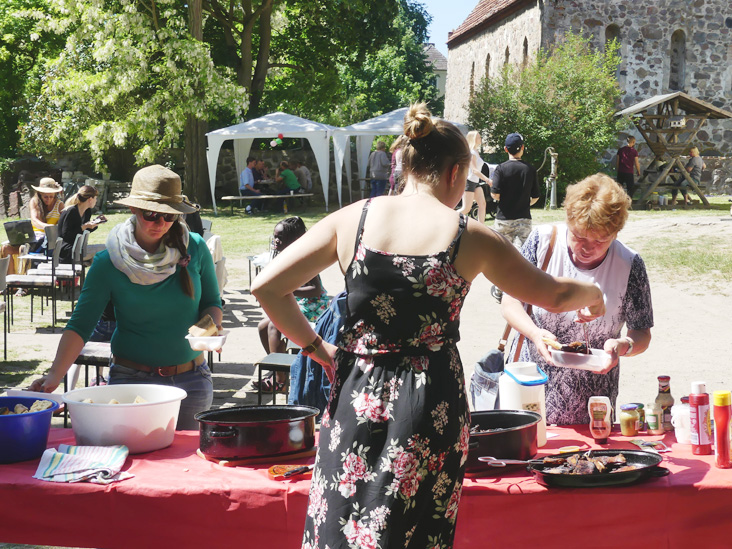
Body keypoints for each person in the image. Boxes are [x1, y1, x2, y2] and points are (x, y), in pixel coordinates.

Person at [251, 103, 604, 548]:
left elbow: (266, 288)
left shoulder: (352, 219)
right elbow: (553, 294)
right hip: (430, 400)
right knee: (415, 533)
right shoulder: (469, 235)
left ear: (404, 163)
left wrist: (318, 349)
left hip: (356, 392)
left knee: (340, 523)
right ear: (456, 172)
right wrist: (595, 292)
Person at [29, 165, 222, 430]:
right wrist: (54, 375)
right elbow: (80, 326)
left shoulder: (195, 247)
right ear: (133, 209)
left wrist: (208, 330)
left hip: (191, 381)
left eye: (169, 216)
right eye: (151, 214)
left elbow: (212, 302)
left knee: (187, 467)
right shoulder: (109, 261)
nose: (160, 223)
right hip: (130, 381)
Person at [501, 173, 653, 426]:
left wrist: (622, 346)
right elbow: (510, 301)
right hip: (531, 386)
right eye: (579, 236)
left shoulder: (630, 264)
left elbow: (642, 333)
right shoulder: (542, 241)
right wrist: (535, 333)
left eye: (600, 240)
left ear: (616, 233)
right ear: (568, 221)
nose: (586, 248)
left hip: (593, 399)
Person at [255, 217, 329, 393]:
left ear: (293, 240)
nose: (276, 240)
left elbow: (316, 289)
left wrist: (288, 291)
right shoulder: (283, 256)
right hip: (300, 302)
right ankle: (277, 368)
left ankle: (280, 381)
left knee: (275, 325)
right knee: (262, 326)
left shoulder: (302, 257)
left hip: (314, 306)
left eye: (280, 237)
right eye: (275, 236)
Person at [490, 132, 540, 302]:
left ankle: (499, 289)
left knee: (500, 256)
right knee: (524, 255)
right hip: (523, 219)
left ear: (505, 149)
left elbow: (495, 194)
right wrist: (524, 203)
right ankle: (522, 289)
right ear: (523, 149)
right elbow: (535, 197)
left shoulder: (501, 169)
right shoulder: (530, 169)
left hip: (503, 218)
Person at [57, 185, 103, 262]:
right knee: (106, 250)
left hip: (79, 246)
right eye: (96, 198)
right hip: (66, 250)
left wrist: (93, 225)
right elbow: (66, 235)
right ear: (90, 199)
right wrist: (84, 227)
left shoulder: (87, 211)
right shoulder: (71, 211)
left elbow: (82, 232)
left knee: (106, 250)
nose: (96, 200)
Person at [460, 130, 492, 223]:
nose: (480, 139)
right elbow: (474, 170)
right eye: (478, 137)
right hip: (469, 182)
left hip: (475, 182)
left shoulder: (476, 152)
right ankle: (449, 220)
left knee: (482, 204)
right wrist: (487, 179)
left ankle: (481, 228)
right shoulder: (471, 153)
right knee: (466, 209)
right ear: (473, 139)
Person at [29, 177, 65, 253]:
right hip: (35, 234)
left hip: (50, 237)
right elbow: (34, 220)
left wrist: (52, 230)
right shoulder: (34, 201)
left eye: (51, 196)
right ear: (40, 194)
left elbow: (63, 223)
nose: (48, 199)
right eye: (45, 197)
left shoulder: (59, 205)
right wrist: (47, 226)